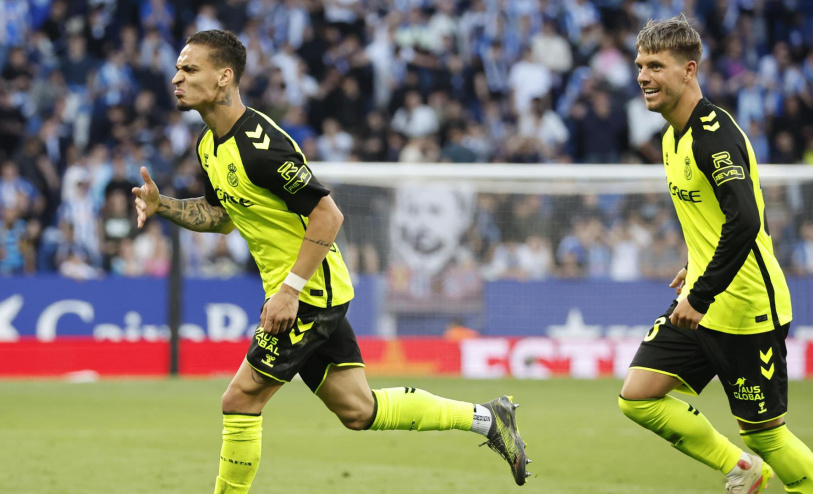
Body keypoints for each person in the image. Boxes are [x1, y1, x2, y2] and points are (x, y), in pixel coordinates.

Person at [131, 30, 530, 493]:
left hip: (307, 295)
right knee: (359, 410)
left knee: (240, 399)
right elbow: (223, 216)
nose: (176, 78)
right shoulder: (209, 145)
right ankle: (489, 419)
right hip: (307, 291)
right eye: (178, 69)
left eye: (189, 69)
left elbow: (328, 214)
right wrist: (166, 207)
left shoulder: (263, 147)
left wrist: (289, 291)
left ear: (224, 77)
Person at [618, 16, 813, 494]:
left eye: (656, 65)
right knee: (638, 396)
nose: (643, 76)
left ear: (689, 70)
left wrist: (702, 292)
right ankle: (742, 468)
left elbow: (747, 220)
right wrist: (696, 263)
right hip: (705, 297)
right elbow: (716, 218)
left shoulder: (713, 135)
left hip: (745, 309)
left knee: (767, 434)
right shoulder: (672, 134)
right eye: (639, 65)